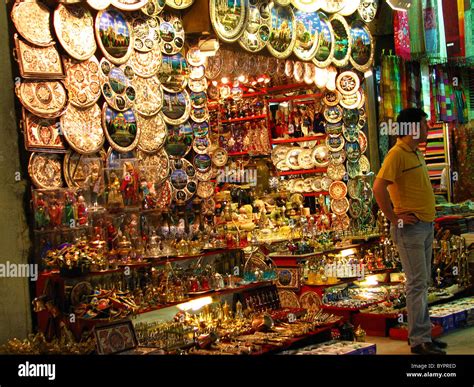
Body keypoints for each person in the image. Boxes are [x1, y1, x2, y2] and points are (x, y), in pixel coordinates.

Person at [373, 108, 447, 355]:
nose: (427, 129)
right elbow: (378, 188)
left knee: (422, 283)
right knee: (416, 284)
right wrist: (395, 218)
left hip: (423, 226)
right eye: (424, 125)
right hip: (410, 229)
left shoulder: (415, 153)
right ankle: (418, 341)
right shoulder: (397, 154)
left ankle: (424, 334)